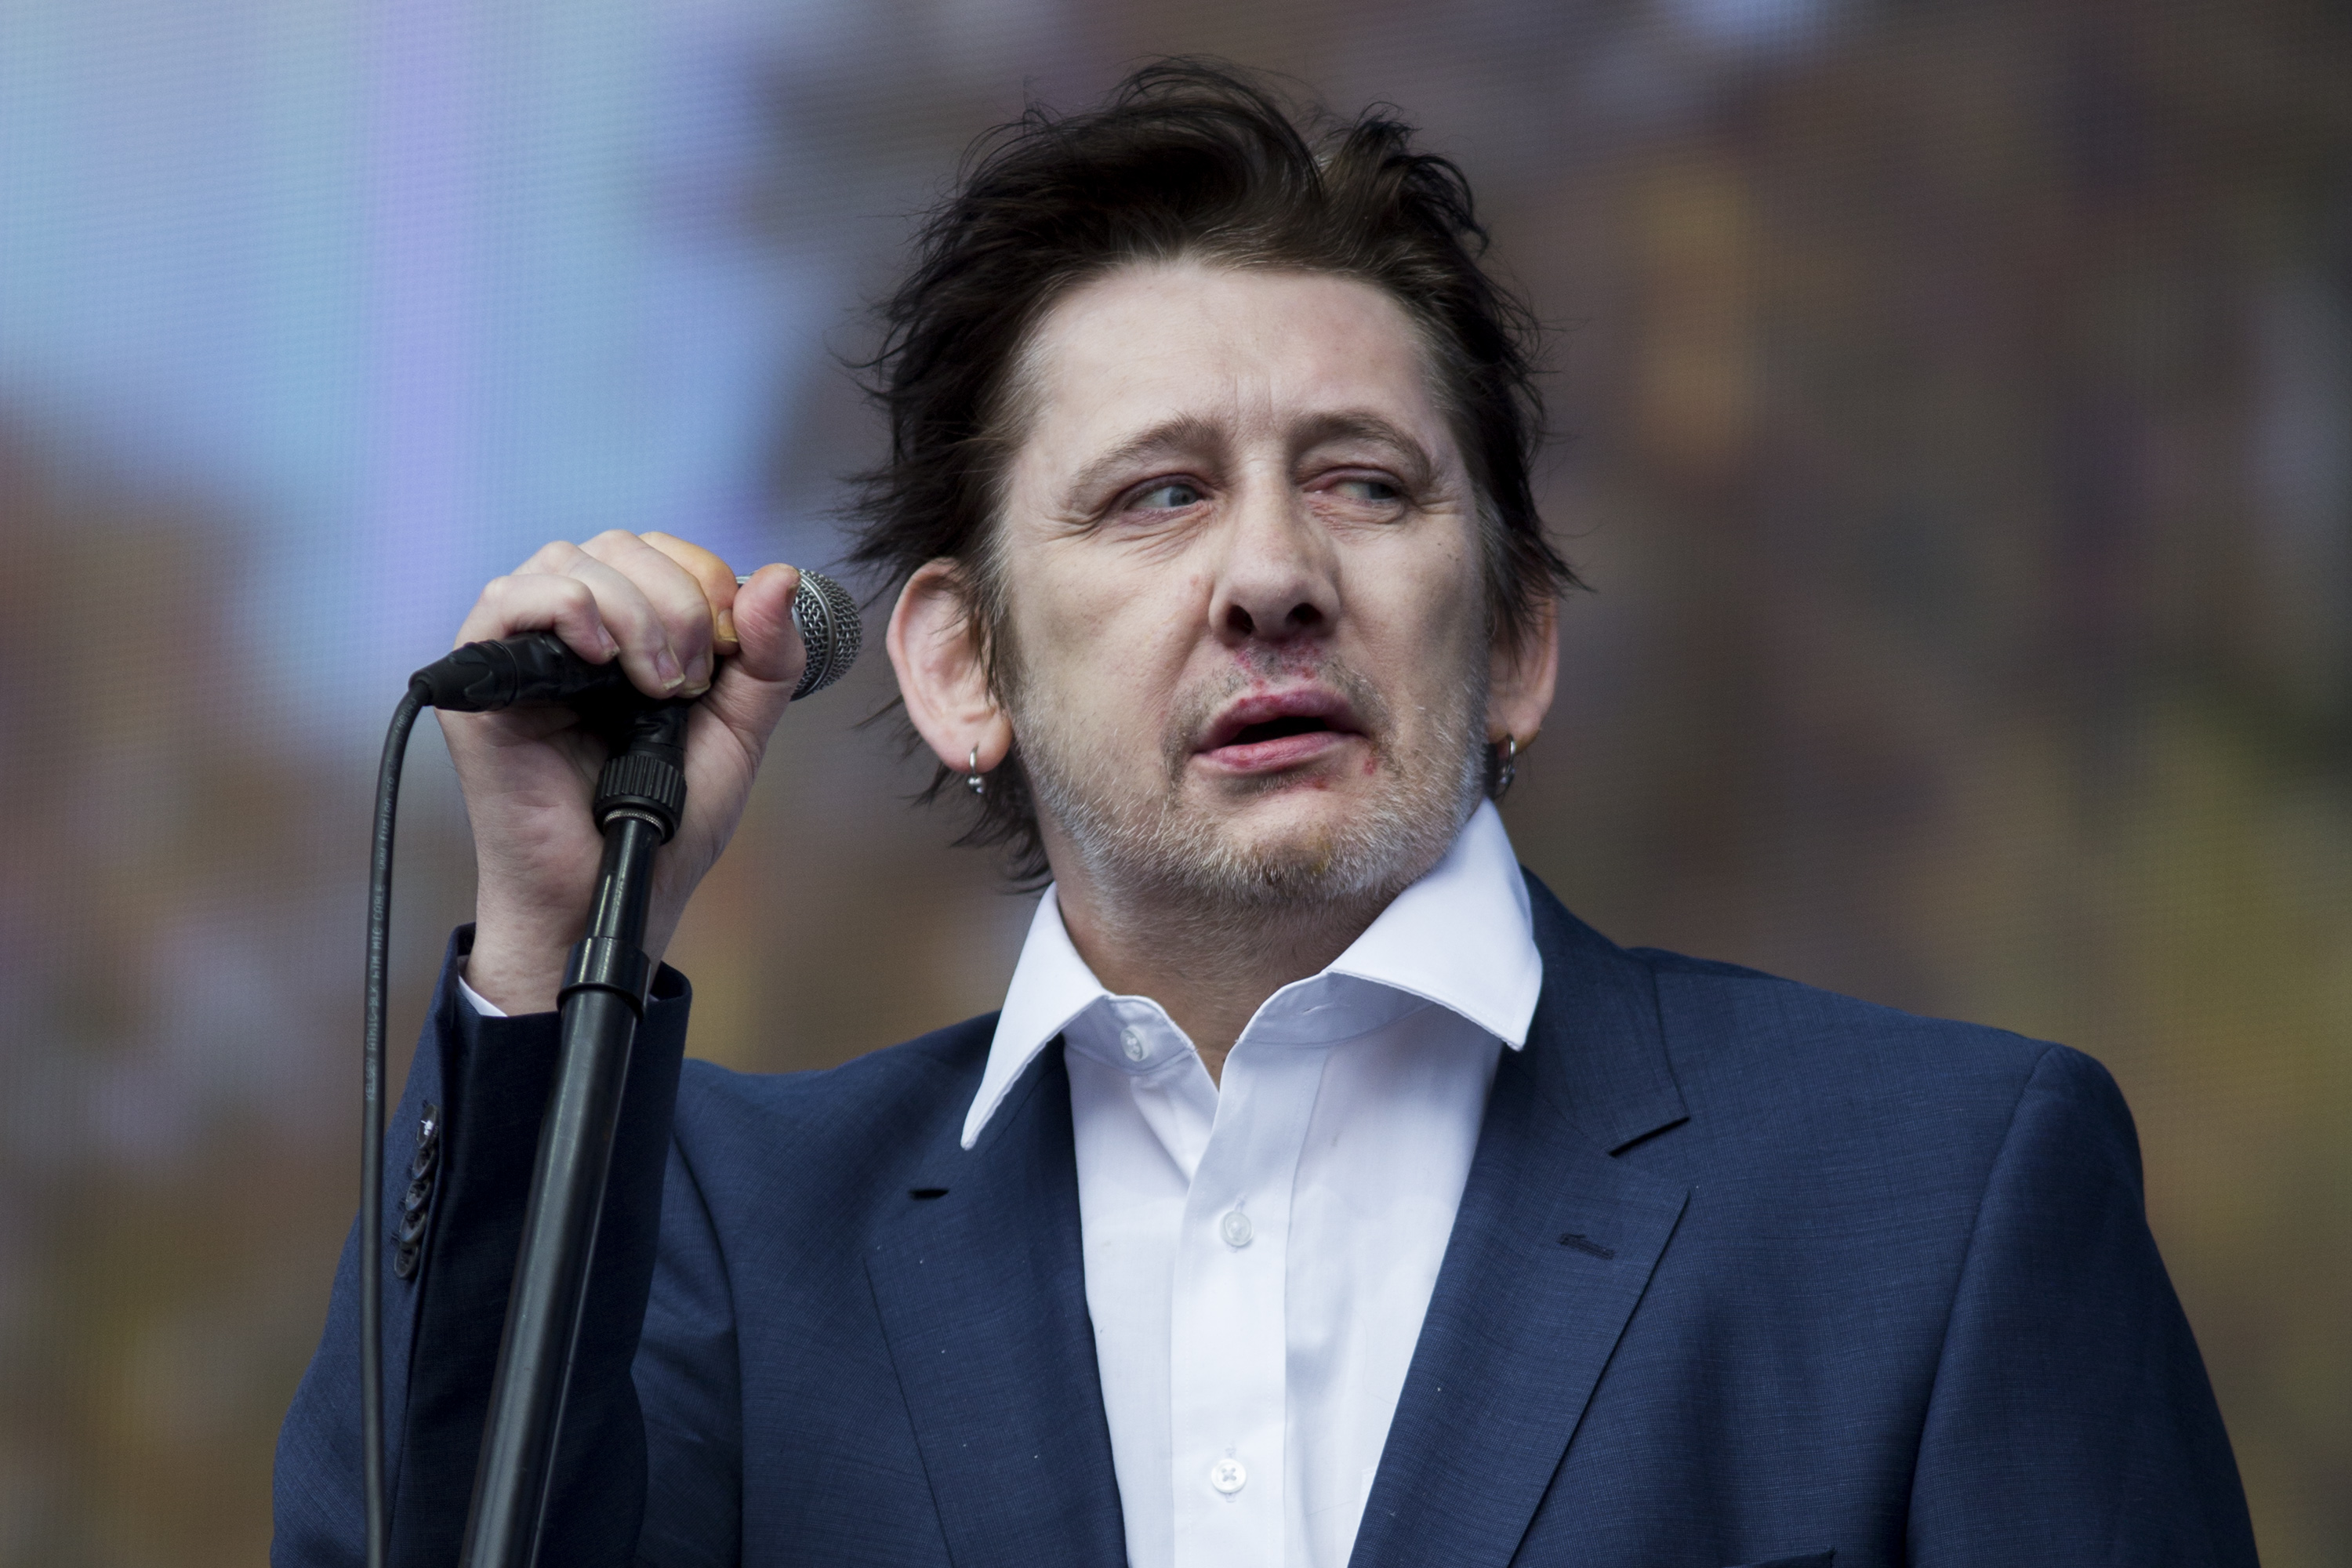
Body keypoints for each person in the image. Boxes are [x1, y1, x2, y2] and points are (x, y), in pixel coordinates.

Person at [274, 64, 2256, 1568]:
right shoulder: (729, 1234)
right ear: (962, 669)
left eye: (1369, 484)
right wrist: (546, 958)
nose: (1272, 574)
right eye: (1155, 492)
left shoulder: (1946, 1193)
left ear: (1517, 644)